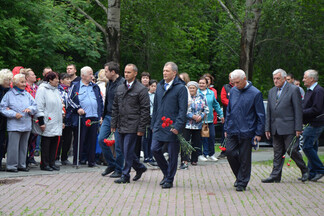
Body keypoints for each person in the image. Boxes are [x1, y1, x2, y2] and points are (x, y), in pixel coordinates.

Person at [262, 69, 308, 183]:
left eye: (278, 78)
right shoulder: (272, 91)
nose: (275, 81)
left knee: (292, 150)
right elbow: (269, 112)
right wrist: (267, 128)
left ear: (284, 78)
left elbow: (298, 110)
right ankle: (275, 175)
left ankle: (305, 170)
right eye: (274, 79)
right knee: (277, 152)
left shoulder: (293, 90)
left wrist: (298, 128)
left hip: (289, 127)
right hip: (275, 127)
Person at [224, 69, 265, 192]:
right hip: (232, 129)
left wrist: (258, 133)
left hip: (247, 130)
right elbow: (229, 111)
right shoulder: (233, 91)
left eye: (237, 82)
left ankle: (242, 182)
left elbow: (261, 115)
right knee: (230, 153)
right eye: (233, 83)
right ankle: (239, 176)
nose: (236, 85)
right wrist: (226, 127)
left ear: (244, 79)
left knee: (245, 158)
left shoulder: (255, 93)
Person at [151, 62, 188, 189]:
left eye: (167, 71)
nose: (164, 73)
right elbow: (155, 107)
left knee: (172, 155)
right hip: (159, 125)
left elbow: (183, 110)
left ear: (174, 73)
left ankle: (169, 179)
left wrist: (177, 126)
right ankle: (166, 173)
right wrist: (153, 124)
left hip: (173, 126)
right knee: (154, 149)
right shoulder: (160, 86)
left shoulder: (181, 88)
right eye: (163, 70)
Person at [111, 63, 150, 184]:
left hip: (133, 124)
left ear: (135, 73)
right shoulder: (120, 87)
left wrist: (141, 127)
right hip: (121, 124)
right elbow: (115, 107)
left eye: (129, 72)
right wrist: (113, 124)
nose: (126, 74)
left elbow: (145, 109)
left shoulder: (141, 89)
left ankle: (125, 174)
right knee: (124, 150)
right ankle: (140, 167)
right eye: (125, 72)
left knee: (128, 150)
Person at [0, 74, 37, 172]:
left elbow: (35, 105)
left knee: (24, 147)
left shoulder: (27, 94)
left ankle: (22, 165)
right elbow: (2, 108)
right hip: (14, 125)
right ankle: (12, 166)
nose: (24, 84)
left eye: (25, 82)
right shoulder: (9, 95)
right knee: (13, 147)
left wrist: (30, 109)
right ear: (15, 83)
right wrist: (13, 114)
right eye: (22, 82)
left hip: (26, 124)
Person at [68, 66, 103, 167]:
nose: (92, 76)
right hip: (82, 117)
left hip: (94, 116)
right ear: (83, 75)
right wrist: (77, 108)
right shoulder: (75, 85)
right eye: (90, 74)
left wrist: (100, 115)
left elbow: (100, 101)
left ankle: (91, 161)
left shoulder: (95, 86)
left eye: (92, 74)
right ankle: (77, 160)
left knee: (92, 139)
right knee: (80, 139)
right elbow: (69, 99)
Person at [99, 62, 124, 178]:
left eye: (106, 71)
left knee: (119, 145)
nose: (105, 73)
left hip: (119, 118)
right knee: (101, 139)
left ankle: (119, 169)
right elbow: (107, 101)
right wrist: (103, 116)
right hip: (108, 116)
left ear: (113, 72)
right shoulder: (109, 83)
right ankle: (111, 164)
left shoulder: (123, 84)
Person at [34, 72, 63, 171]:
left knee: (55, 142)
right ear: (50, 80)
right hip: (48, 121)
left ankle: (52, 162)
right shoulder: (42, 90)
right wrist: (41, 122)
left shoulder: (56, 90)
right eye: (56, 79)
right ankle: (44, 163)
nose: (58, 81)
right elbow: (39, 106)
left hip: (57, 120)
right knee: (46, 143)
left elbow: (59, 104)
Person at [302, 69, 324, 182]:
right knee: (313, 147)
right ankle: (312, 173)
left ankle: (320, 169)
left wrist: (301, 112)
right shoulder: (310, 90)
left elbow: (317, 109)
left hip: (315, 124)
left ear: (312, 79)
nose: (303, 80)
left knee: (306, 146)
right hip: (310, 122)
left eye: (305, 77)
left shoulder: (318, 91)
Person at [180, 81, 208, 169]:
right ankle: (184, 159)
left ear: (196, 89)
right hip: (187, 124)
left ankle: (194, 159)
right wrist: (192, 116)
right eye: (190, 88)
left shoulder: (202, 97)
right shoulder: (185, 97)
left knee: (196, 142)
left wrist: (201, 116)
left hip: (198, 124)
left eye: (193, 88)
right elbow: (182, 109)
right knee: (185, 142)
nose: (192, 89)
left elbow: (206, 109)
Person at [198, 77, 224, 162]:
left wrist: (221, 115)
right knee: (203, 138)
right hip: (200, 120)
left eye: (203, 83)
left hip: (209, 119)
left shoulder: (211, 93)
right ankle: (203, 154)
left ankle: (211, 154)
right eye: (200, 83)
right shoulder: (196, 92)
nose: (201, 85)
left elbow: (216, 104)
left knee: (212, 136)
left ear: (206, 84)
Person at [21, 68, 39, 167]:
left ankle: (31, 157)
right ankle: (23, 158)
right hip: (26, 115)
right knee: (26, 138)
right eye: (33, 75)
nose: (35, 76)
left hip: (35, 115)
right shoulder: (24, 87)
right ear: (27, 77)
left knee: (34, 136)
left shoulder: (36, 87)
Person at [56, 73, 73, 165]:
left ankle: (64, 157)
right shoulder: (57, 90)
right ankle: (56, 157)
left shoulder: (71, 90)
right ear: (61, 81)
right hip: (60, 117)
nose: (69, 81)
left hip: (69, 118)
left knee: (68, 139)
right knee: (59, 138)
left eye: (70, 79)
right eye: (67, 79)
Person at [0, 69, 13, 170]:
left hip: (4, 122)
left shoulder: (8, 91)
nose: (10, 82)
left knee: (2, 142)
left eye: (10, 80)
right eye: (7, 80)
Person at [142, 79, 158, 166]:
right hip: (147, 118)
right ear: (149, 86)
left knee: (153, 138)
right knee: (146, 138)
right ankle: (146, 156)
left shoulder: (157, 96)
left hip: (154, 118)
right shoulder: (146, 95)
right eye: (152, 86)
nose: (153, 88)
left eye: (155, 86)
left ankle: (151, 156)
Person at [219, 72, 233, 159]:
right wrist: (233, 104)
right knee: (224, 131)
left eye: (232, 77)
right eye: (230, 77)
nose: (231, 78)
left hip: (237, 114)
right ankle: (223, 150)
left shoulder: (239, 86)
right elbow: (223, 99)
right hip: (227, 114)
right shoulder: (225, 87)